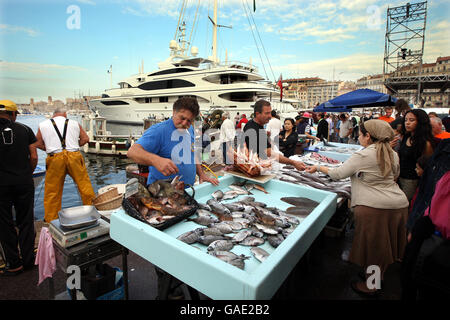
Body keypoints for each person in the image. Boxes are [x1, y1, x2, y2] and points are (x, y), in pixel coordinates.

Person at [306, 120, 409, 296]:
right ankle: (379, 277)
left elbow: (338, 174)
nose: (359, 137)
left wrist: (317, 167)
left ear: (368, 136)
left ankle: (371, 285)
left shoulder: (363, 155)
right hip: (398, 205)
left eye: (360, 135)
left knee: (375, 250)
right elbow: (395, 176)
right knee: (384, 248)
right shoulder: (393, 154)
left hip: (375, 208)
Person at [127, 97, 219, 187]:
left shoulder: (190, 128)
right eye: (182, 118)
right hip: (161, 192)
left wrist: (201, 174)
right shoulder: (159, 131)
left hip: (186, 190)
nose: (184, 123)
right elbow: (132, 152)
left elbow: (193, 153)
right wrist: (156, 160)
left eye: (189, 120)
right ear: (174, 112)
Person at [34, 108, 95, 223]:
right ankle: (92, 211)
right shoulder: (74, 123)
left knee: (52, 191)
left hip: (55, 157)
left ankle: (51, 220)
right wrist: (73, 146)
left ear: (53, 115)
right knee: (84, 186)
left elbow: (37, 143)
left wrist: (48, 149)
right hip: (74, 156)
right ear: (65, 115)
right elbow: (85, 139)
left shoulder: (42, 125)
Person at [0, 100, 38, 275]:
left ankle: (14, 264)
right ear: (13, 114)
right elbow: (34, 157)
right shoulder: (25, 129)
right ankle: (29, 260)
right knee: (26, 221)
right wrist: (26, 173)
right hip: (23, 181)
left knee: (5, 224)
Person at [243, 99, 306, 171]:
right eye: (267, 113)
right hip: (253, 169)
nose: (270, 116)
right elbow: (270, 154)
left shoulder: (253, 124)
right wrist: (293, 163)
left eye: (270, 113)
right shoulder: (255, 129)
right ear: (257, 114)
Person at [397, 109, 436, 201]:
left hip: (413, 181)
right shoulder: (406, 137)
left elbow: (427, 166)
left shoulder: (426, 143)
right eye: (406, 120)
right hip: (400, 177)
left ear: (420, 122)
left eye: (412, 120)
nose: (407, 123)